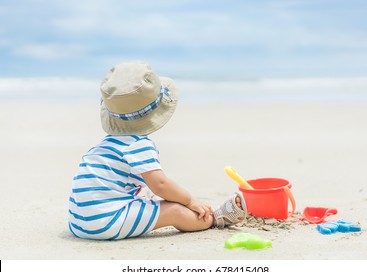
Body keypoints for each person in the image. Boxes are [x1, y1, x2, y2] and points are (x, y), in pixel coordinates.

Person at [68, 61, 247, 240]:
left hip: (78, 222)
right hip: (106, 222)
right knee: (174, 210)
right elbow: (160, 185)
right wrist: (190, 201)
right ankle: (214, 219)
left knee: (154, 200)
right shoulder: (138, 144)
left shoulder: (104, 145)